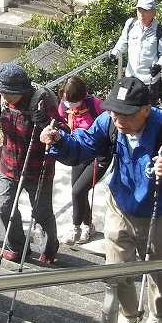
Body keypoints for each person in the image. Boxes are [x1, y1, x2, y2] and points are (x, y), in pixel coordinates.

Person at [42, 77, 162, 323]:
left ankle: (158, 313)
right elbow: (83, 144)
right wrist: (59, 139)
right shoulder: (110, 122)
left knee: (159, 269)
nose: (118, 120)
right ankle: (128, 312)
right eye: (115, 113)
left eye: (126, 115)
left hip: (159, 210)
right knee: (116, 268)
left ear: (146, 110)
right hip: (120, 204)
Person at [0, 62, 62, 264]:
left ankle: (49, 247)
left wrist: (46, 123)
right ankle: (16, 246)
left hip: (38, 167)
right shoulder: (1, 96)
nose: (4, 96)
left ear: (21, 90)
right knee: (4, 207)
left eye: (8, 93)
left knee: (41, 211)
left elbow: (62, 130)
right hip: (9, 164)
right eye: (1, 91)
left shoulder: (42, 99)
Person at [57, 76, 107, 245]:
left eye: (74, 101)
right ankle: (88, 226)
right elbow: (62, 125)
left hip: (97, 155)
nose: (70, 104)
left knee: (77, 191)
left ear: (83, 96)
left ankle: (76, 228)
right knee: (79, 192)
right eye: (66, 99)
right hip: (77, 154)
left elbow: (110, 125)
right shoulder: (64, 106)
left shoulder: (96, 105)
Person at [107, 0, 162, 104]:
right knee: (127, 108)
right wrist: (114, 54)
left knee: (146, 112)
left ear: (154, 13)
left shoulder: (160, 30)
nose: (141, 14)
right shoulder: (130, 24)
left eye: (145, 11)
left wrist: (159, 65)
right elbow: (122, 43)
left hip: (149, 81)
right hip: (130, 77)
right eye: (139, 10)